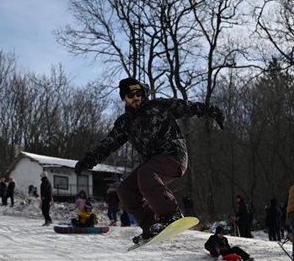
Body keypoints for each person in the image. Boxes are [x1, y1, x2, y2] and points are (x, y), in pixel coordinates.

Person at [74, 77, 224, 245]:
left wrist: (213, 111)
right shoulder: (125, 123)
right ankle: (151, 226)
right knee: (125, 189)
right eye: (131, 95)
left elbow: (189, 107)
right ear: (124, 98)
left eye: (138, 93)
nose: (136, 98)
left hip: (174, 156)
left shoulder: (159, 106)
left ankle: (171, 214)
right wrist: (87, 160)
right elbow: (108, 144)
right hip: (153, 163)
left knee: (146, 173)